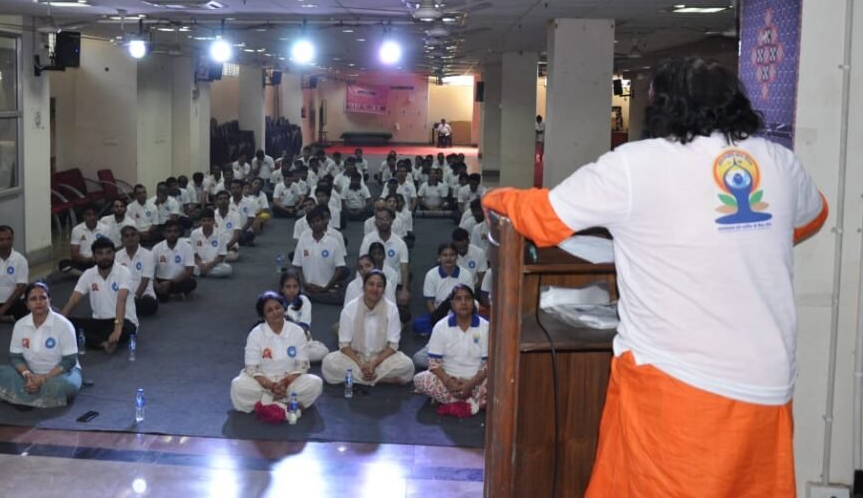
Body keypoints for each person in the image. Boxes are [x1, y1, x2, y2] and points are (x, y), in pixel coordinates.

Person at [483, 57, 828, 497]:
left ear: (661, 106)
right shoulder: (779, 161)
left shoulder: (637, 165)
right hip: (768, 385)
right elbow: (813, 215)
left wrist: (497, 198)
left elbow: (544, 218)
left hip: (676, 382)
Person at [229, 291, 324, 423]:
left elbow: (302, 366)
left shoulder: (296, 331)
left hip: (290, 381)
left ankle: (266, 404)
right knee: (238, 386)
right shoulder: (256, 334)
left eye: (278, 308)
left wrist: (284, 383)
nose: (275, 312)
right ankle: (286, 404)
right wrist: (271, 385)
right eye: (269, 310)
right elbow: (251, 368)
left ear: (283, 308)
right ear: (264, 316)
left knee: (315, 383)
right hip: (262, 382)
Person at [0, 281, 82, 409]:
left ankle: (19, 396)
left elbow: (69, 361)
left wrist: (43, 378)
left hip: (60, 374)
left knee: (65, 386)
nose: (38, 302)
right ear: (27, 305)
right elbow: (15, 357)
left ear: (49, 300)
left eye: (43, 298)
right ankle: (36, 395)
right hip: (30, 372)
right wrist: (27, 375)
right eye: (33, 299)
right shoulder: (20, 325)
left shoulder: (64, 325)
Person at [322, 271, 414, 387]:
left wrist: (374, 363)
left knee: (407, 365)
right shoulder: (350, 308)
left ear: (384, 289)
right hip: (355, 358)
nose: (375, 289)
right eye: (371, 284)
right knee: (329, 363)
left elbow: (393, 345)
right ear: (364, 287)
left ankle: (360, 378)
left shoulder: (391, 309)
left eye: (379, 285)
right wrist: (361, 365)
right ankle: (380, 379)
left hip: (381, 358)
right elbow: (344, 345)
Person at [413, 283, 489, 417]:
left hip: (477, 380)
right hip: (448, 380)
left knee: (501, 386)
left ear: (473, 303)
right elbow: (434, 363)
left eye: (467, 298)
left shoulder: (485, 327)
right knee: (419, 380)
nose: (463, 302)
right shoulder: (441, 326)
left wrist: (471, 384)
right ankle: (473, 402)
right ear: (452, 304)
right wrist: (449, 382)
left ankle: (453, 400)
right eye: (458, 299)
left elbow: (487, 364)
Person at [61, 237, 137, 353]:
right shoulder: (88, 274)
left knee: (127, 330)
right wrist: (58, 322)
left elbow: (121, 300)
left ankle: (97, 340)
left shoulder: (124, 272)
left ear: (114, 254)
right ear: (94, 257)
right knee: (68, 325)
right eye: (100, 253)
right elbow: (74, 300)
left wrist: (117, 329)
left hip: (123, 321)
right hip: (98, 321)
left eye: (108, 253)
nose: (104, 257)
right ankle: (103, 343)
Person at [292, 206, 350, 305]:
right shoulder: (303, 241)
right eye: (312, 222)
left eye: (318, 221)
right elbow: (297, 266)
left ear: (323, 222)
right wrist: (304, 283)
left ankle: (317, 295)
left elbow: (339, 268)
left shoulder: (334, 243)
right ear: (309, 225)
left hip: (327, 287)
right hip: (307, 287)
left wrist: (327, 287)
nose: (316, 224)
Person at [279, 271, 329, 362]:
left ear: (299, 288)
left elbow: (303, 329)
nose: (292, 290)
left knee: (322, 352)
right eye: (288, 287)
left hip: (300, 341)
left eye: (295, 286)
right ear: (282, 289)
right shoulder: (275, 302)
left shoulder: (304, 301)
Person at [115, 224, 158, 317]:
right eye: (126, 236)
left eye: (133, 235)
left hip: (143, 295)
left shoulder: (149, 255)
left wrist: (134, 298)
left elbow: (145, 281)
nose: (130, 238)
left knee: (150, 304)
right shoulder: (117, 256)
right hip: (123, 294)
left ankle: (125, 310)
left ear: (138, 237)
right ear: (122, 240)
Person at [151, 219, 197, 301]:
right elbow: (150, 270)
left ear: (179, 233)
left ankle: (166, 294)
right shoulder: (156, 248)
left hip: (178, 281)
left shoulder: (187, 247)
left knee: (191, 282)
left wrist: (170, 282)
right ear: (164, 233)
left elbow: (189, 271)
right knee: (148, 283)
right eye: (169, 231)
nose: (172, 234)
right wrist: (156, 285)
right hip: (161, 280)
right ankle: (173, 295)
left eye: (175, 231)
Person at [190, 208, 233, 278]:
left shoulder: (221, 234)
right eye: (204, 220)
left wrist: (209, 265)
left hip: (215, 264)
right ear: (200, 222)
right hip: (200, 263)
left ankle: (201, 273)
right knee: (187, 266)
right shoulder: (194, 234)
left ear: (213, 221)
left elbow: (221, 256)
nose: (206, 223)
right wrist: (200, 264)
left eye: (209, 220)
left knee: (228, 269)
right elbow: (194, 255)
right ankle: (205, 272)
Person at [68, 206, 103, 274]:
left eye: (94, 214)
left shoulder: (106, 229)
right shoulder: (76, 230)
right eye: (89, 215)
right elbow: (74, 254)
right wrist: (88, 260)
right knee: (64, 265)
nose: (92, 217)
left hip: (100, 262)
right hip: (83, 263)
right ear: (84, 216)